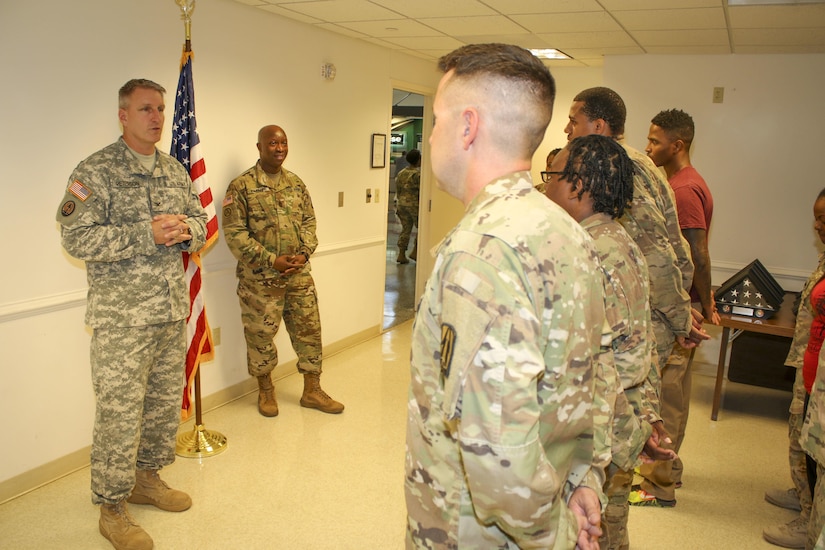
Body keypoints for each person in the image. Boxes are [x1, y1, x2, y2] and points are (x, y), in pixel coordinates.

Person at [405, 43, 609, 550]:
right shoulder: (564, 230)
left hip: (477, 532)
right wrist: (584, 476)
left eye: (435, 120)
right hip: (550, 496)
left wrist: (552, 531)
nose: (431, 136)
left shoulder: (481, 253)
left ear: (468, 126)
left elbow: (495, 450)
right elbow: (589, 377)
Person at [56, 78, 208, 550]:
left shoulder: (174, 171)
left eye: (161, 108)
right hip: (122, 321)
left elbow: (202, 224)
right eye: (146, 109)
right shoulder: (95, 171)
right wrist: (147, 233)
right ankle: (112, 506)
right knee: (119, 415)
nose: (158, 117)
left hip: (167, 313)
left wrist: (186, 229)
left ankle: (147, 479)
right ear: (123, 115)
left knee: (162, 407)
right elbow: (75, 239)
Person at [562, 87, 708, 509]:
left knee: (618, 430)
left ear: (599, 126)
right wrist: (682, 306)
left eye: (574, 120)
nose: (568, 128)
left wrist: (680, 317)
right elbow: (675, 243)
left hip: (639, 320)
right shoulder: (644, 163)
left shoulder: (619, 167)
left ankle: (610, 513)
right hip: (653, 310)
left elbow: (657, 250)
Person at [544, 135, 676, 549]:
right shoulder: (618, 239)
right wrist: (648, 418)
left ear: (577, 185)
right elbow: (641, 342)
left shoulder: (589, 251)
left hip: (604, 434)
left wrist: (605, 446)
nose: (544, 186)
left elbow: (604, 364)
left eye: (552, 175)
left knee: (595, 532)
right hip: (623, 422)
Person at [223, 125, 344, 418]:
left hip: (299, 276)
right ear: (259, 147)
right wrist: (270, 260)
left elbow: (309, 221)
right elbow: (235, 234)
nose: (279, 148)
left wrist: (304, 251)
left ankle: (312, 390)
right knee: (261, 335)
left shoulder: (296, 184)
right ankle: (266, 390)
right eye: (273, 143)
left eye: (284, 143)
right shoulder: (241, 187)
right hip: (260, 281)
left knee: (309, 330)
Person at [632, 108, 721, 506]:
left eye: (654, 142)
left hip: (677, 312)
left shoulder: (682, 189)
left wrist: (701, 304)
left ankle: (658, 483)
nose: (648, 149)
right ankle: (671, 470)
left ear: (677, 144)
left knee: (666, 398)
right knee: (675, 396)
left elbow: (693, 254)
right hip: (685, 307)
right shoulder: (685, 181)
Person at [779, 188, 825, 549]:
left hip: (819, 375)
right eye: (816, 217)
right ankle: (804, 498)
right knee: (800, 440)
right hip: (807, 366)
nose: (817, 225)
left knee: (814, 451)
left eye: (824, 218)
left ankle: (811, 523)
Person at [395, 149, 421, 264]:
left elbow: (398, 190)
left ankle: (401, 253)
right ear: (418, 160)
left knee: (405, 229)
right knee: (421, 228)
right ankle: (415, 251)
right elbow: (422, 191)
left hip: (402, 204)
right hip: (414, 205)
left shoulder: (401, 173)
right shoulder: (418, 175)